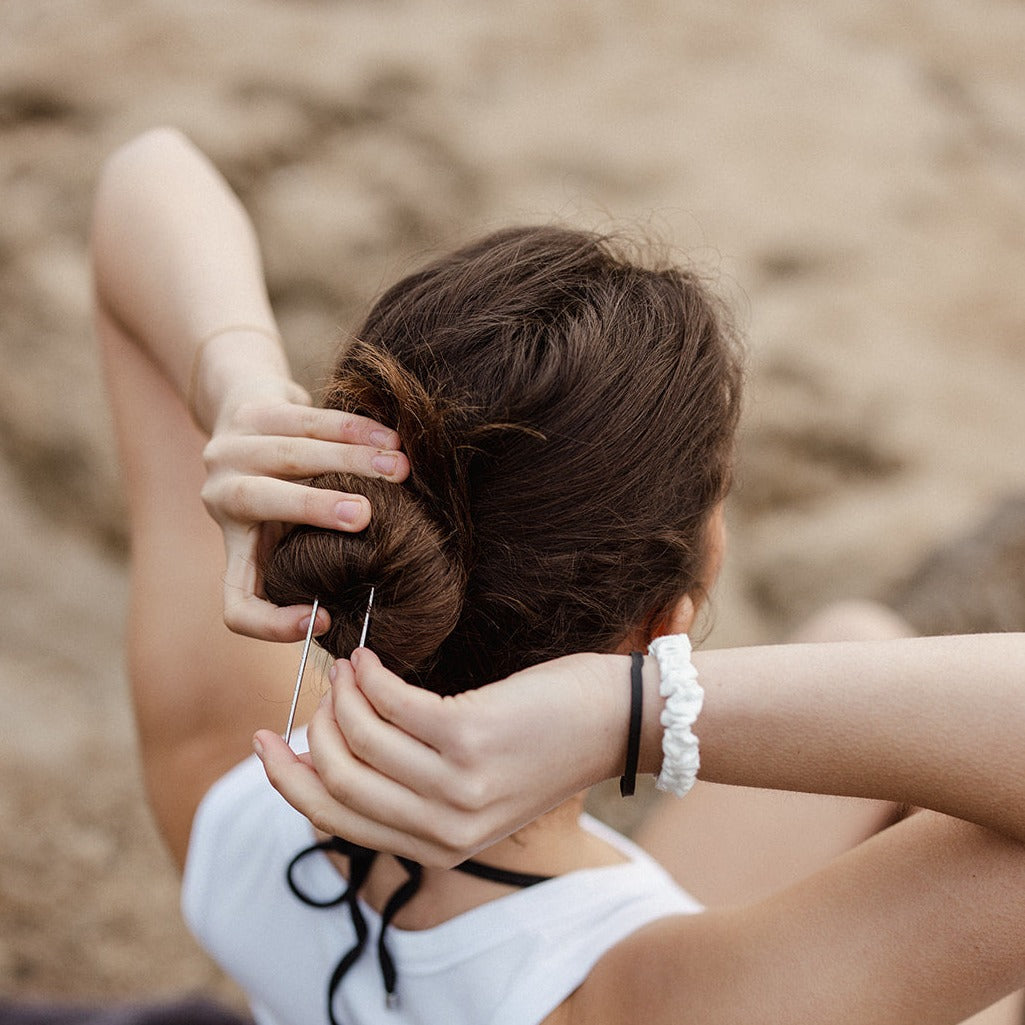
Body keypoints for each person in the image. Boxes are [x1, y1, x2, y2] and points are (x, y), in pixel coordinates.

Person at [92, 128, 1025, 1025]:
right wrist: (627, 715)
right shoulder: (636, 1001)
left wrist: (240, 386)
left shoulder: (231, 786)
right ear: (662, 624)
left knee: (854, 643)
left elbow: (145, 174)